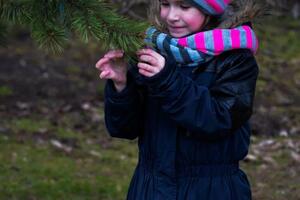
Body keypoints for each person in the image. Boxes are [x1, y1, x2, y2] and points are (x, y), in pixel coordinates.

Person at [96, 0, 261, 199]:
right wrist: (122, 86)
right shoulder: (153, 50)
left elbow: (219, 120)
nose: (171, 16)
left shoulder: (236, 59)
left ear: (211, 9)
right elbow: (123, 129)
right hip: (150, 188)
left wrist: (167, 80)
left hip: (212, 190)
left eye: (184, 7)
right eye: (165, 4)